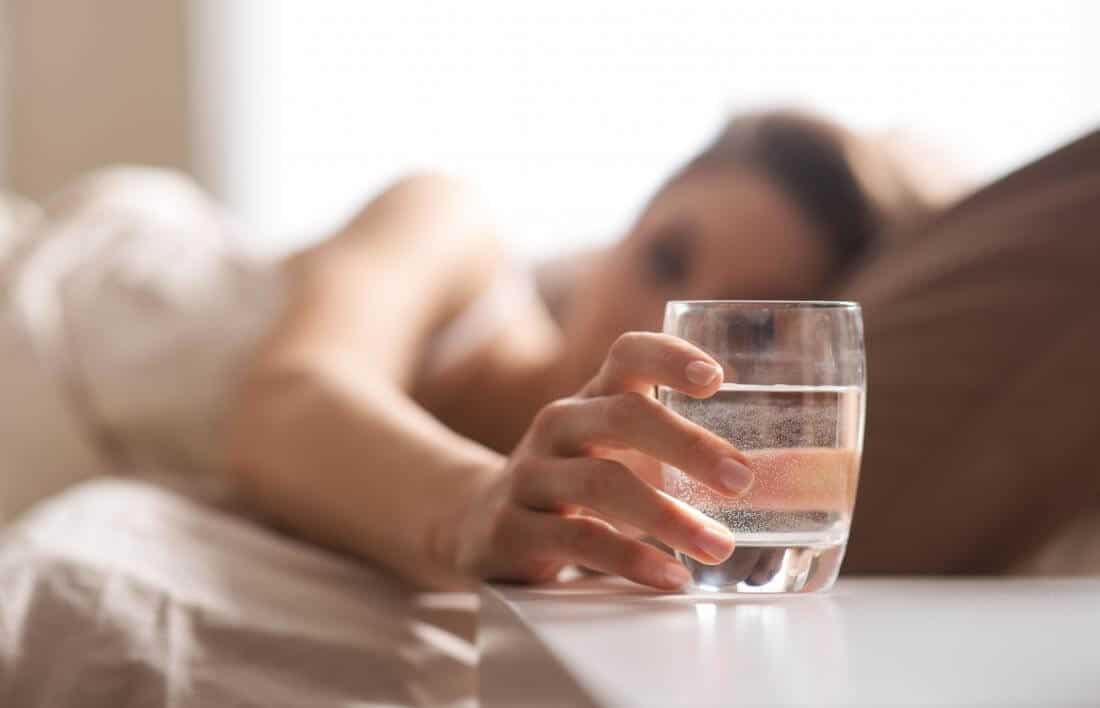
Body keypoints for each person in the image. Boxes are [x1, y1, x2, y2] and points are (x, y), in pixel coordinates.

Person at [222, 110, 931, 590]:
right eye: (664, 259)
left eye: (744, 328)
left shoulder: (633, 551)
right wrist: (472, 506)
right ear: (619, 235)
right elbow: (287, 401)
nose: (667, 329)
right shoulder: (452, 229)